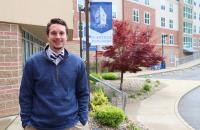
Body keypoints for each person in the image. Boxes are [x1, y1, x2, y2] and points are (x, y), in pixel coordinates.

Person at [19, 18, 89, 130]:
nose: (58, 37)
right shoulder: (32, 62)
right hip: (38, 126)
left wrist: (83, 118)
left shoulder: (78, 63)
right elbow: (25, 95)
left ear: (66, 36)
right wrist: (26, 122)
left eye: (61, 33)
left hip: (72, 125)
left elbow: (83, 93)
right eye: (53, 33)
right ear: (48, 36)